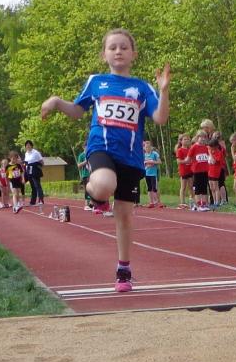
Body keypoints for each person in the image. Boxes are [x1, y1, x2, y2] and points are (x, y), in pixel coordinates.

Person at [41, 28, 170, 292]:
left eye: (124, 47)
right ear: (104, 55)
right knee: (103, 184)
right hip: (101, 148)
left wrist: (164, 90)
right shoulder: (96, 82)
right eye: (113, 47)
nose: (118, 51)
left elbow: (160, 118)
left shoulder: (142, 88)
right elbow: (77, 111)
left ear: (133, 54)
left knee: (124, 216)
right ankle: (93, 192)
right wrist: (56, 102)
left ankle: (123, 270)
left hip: (131, 158)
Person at [188, 130, 211, 212]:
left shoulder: (206, 147)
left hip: (205, 170)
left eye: (204, 137)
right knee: (198, 188)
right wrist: (186, 162)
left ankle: (203, 204)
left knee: (204, 188)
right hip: (197, 171)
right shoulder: (194, 147)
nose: (203, 139)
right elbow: (189, 157)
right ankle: (198, 204)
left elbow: (208, 157)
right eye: (201, 137)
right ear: (197, 138)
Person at [23, 140, 45, 206]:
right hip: (28, 171)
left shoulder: (36, 152)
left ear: (31, 145)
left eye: (29, 145)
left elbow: (42, 162)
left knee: (37, 185)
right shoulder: (26, 153)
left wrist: (38, 167)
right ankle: (33, 202)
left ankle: (41, 200)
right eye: (26, 145)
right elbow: (26, 163)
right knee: (32, 186)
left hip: (35, 171)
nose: (28, 146)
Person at [207, 136, 225, 209]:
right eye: (210, 147)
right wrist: (210, 152)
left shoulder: (219, 153)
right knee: (211, 188)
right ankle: (214, 201)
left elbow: (214, 161)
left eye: (212, 147)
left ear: (216, 146)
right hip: (209, 171)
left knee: (216, 187)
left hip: (215, 172)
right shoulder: (211, 151)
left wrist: (211, 154)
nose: (211, 149)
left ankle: (217, 202)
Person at [143, 140, 162, 208]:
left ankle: (157, 202)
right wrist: (145, 163)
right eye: (146, 147)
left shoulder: (154, 154)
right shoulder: (143, 155)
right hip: (146, 174)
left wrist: (152, 162)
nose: (147, 148)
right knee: (149, 188)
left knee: (155, 188)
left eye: (149, 147)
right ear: (144, 148)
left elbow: (160, 162)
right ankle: (151, 202)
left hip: (153, 174)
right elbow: (142, 163)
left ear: (151, 147)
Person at [76, 145, 92, 211]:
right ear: (83, 147)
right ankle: (86, 204)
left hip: (92, 174)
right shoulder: (81, 155)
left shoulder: (91, 154)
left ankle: (92, 204)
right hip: (85, 174)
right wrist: (85, 162)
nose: (88, 148)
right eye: (86, 146)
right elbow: (79, 165)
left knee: (93, 190)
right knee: (87, 190)